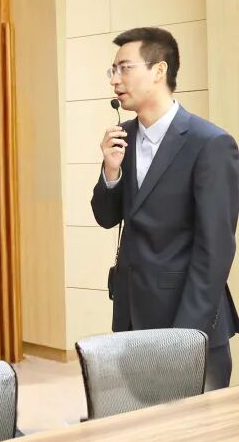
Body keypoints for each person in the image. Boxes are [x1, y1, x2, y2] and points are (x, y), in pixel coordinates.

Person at [94, 27, 239, 390]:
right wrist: (110, 172)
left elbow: (215, 249)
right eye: (113, 70)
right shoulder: (123, 138)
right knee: (140, 420)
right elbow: (106, 217)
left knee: (196, 425)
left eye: (125, 68)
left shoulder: (210, 144)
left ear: (159, 70)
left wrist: (184, 339)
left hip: (188, 322)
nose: (115, 80)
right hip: (131, 321)